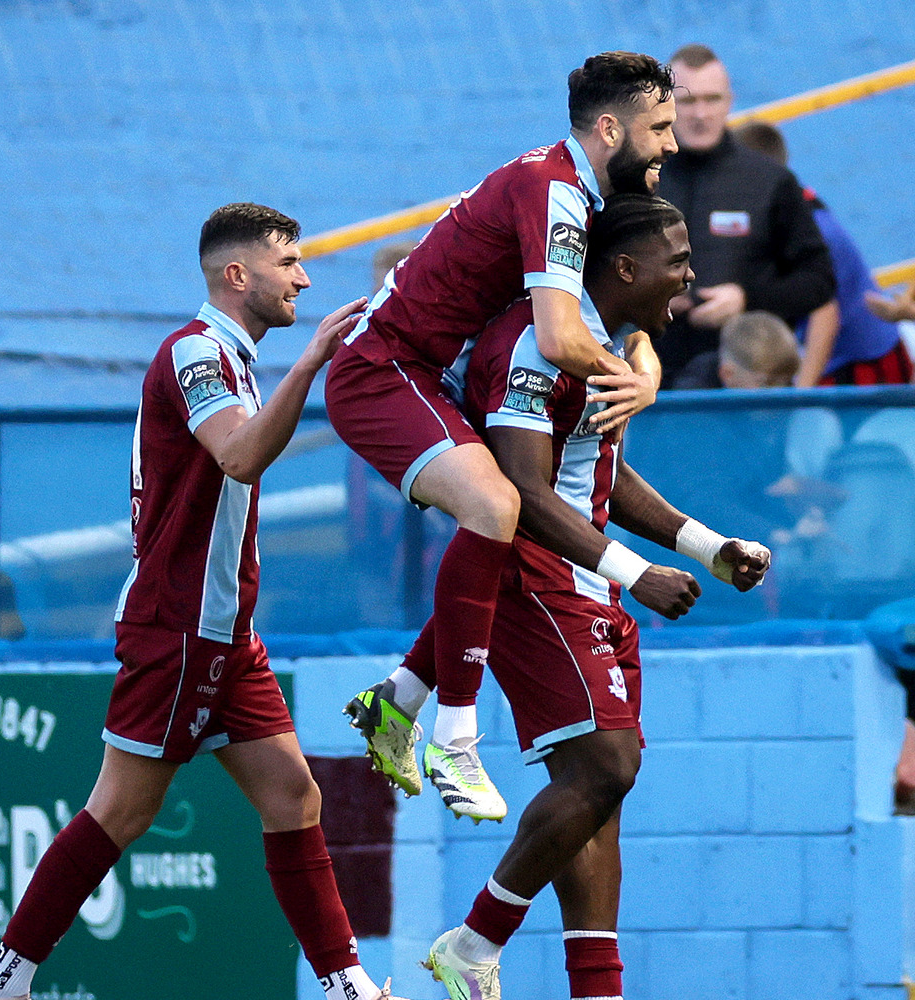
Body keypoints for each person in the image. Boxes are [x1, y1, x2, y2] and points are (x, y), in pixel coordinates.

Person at [0, 203, 409, 1000]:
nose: (305, 277)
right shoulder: (197, 353)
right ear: (237, 275)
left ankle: (348, 986)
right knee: (122, 812)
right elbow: (239, 455)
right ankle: (3, 981)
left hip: (223, 632)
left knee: (293, 794)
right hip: (181, 628)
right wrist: (310, 366)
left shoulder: (230, 358)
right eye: (290, 263)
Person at [418, 193, 771, 1000]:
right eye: (677, 260)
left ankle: (596, 991)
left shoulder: (598, 340)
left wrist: (706, 547)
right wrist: (634, 573)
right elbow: (524, 491)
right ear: (623, 267)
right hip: (536, 576)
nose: (689, 275)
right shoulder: (534, 346)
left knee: (598, 792)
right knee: (607, 766)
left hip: (586, 579)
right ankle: (474, 941)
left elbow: (600, 474)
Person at [329, 52, 679, 823]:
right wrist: (635, 377)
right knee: (497, 507)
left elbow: (611, 310)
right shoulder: (554, 191)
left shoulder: (581, 197)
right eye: (659, 129)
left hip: (437, 379)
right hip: (387, 373)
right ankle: (454, 734)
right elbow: (558, 337)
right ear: (610, 127)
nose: (672, 146)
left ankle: (398, 700)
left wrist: (641, 361)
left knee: (504, 533)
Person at [655, 44, 835, 387]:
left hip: (749, 394)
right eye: (689, 101)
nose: (701, 114)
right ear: (667, 105)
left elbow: (819, 281)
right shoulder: (638, 180)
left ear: (730, 102)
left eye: (712, 99)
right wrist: (647, 299)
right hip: (652, 386)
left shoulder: (769, 181)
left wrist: (747, 299)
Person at [733, 120, 913, 386]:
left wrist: (802, 396)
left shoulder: (811, 228)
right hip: (845, 352)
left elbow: (825, 315)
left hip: (864, 362)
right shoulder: (790, 198)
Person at [671, 309, 800, 389]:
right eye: (765, 384)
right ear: (727, 374)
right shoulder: (692, 405)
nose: (777, 393)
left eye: (786, 383)